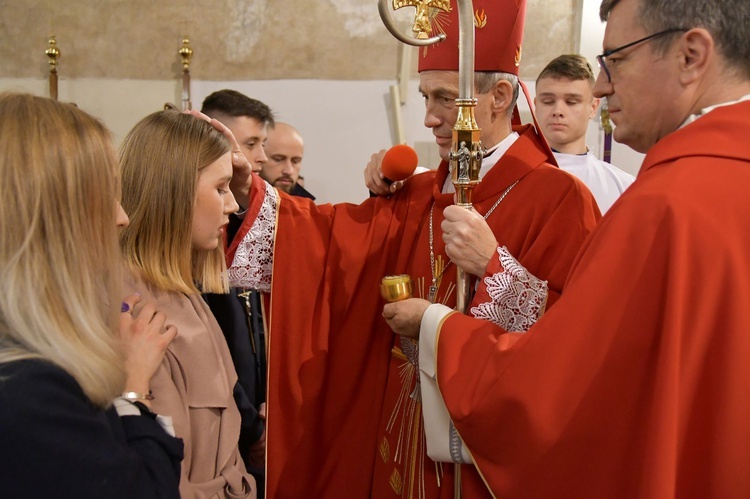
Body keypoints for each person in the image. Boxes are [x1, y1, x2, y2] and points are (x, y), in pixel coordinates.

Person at [223, 0, 599, 496]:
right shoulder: (419, 193)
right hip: (400, 441)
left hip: (485, 462)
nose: (428, 119)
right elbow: (330, 243)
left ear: (499, 95)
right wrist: (251, 191)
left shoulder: (561, 200)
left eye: (444, 98)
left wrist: (493, 268)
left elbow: (581, 347)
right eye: (425, 97)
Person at [383, 0, 750, 497]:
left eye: (614, 59)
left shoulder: (667, 204)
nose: (600, 86)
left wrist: (436, 326)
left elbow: (569, 387)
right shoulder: (718, 180)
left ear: (691, 55)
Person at [0, 92, 183, 498]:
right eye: (107, 195)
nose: (123, 217)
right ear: (55, 216)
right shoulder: (32, 393)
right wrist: (134, 387)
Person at [119, 110, 256, 498]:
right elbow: (160, 473)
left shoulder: (183, 290)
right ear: (173, 191)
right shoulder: (133, 308)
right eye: (220, 188)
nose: (232, 205)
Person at [534, 53, 634, 213]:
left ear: (593, 107)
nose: (558, 111)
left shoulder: (622, 185)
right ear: (536, 105)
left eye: (571, 102)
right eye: (548, 101)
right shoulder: (512, 176)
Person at [264, 122, 315, 199]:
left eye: (295, 161)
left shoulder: (307, 207)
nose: (289, 171)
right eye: (278, 159)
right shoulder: (240, 205)